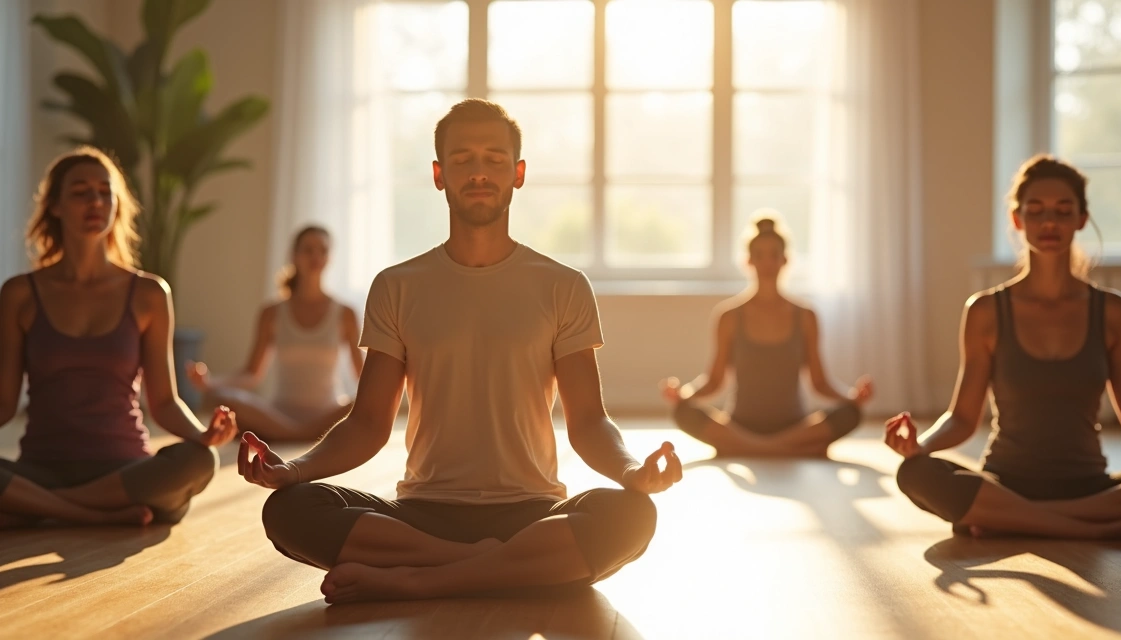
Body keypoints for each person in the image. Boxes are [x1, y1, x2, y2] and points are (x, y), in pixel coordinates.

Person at [239, 99, 682, 604]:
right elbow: (367, 424)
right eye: (463, 159)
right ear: (438, 174)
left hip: (531, 510)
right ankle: (499, 568)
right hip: (424, 514)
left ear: (517, 174)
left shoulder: (564, 286)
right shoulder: (396, 286)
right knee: (288, 509)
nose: (479, 173)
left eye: (494, 159)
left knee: (633, 514)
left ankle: (417, 579)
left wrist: (630, 471)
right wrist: (292, 471)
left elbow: (588, 422)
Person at [888, 154, 1121, 541]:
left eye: (1063, 211)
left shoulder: (1111, 310)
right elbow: (962, 418)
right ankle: (1084, 529)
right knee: (915, 473)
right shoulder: (985, 311)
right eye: (1036, 210)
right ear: (1017, 219)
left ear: (1080, 219)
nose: (1049, 222)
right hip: (1005, 482)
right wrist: (918, 446)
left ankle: (1019, 520)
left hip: (1089, 487)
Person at [0, 146, 237, 529]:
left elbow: (163, 401)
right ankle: (87, 513)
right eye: (80, 191)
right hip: (41, 468)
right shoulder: (19, 294)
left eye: (104, 191)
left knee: (198, 460)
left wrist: (203, 433)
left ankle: (42, 508)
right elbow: (4, 404)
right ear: (55, 206)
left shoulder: (149, 293)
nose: (95, 200)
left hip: (125, 470)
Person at [660, 216, 873, 457]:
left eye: (774, 255)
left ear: (785, 260)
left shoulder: (806, 316)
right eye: (759, 255)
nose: (767, 263)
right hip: (741, 425)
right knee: (682, 411)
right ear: (748, 261)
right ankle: (783, 448)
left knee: (851, 413)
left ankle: (752, 448)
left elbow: (819, 382)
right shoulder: (728, 316)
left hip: (794, 425)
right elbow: (714, 380)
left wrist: (851, 396)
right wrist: (683, 394)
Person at [186, 225, 364, 441]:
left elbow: (363, 376)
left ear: (330, 258)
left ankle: (293, 436)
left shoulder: (345, 313)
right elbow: (252, 373)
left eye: (323, 250)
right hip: (279, 415)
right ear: (294, 255)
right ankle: (305, 436)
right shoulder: (271, 313)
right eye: (308, 250)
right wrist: (211, 383)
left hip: (328, 414)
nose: (316, 256)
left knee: (361, 402)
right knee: (222, 398)